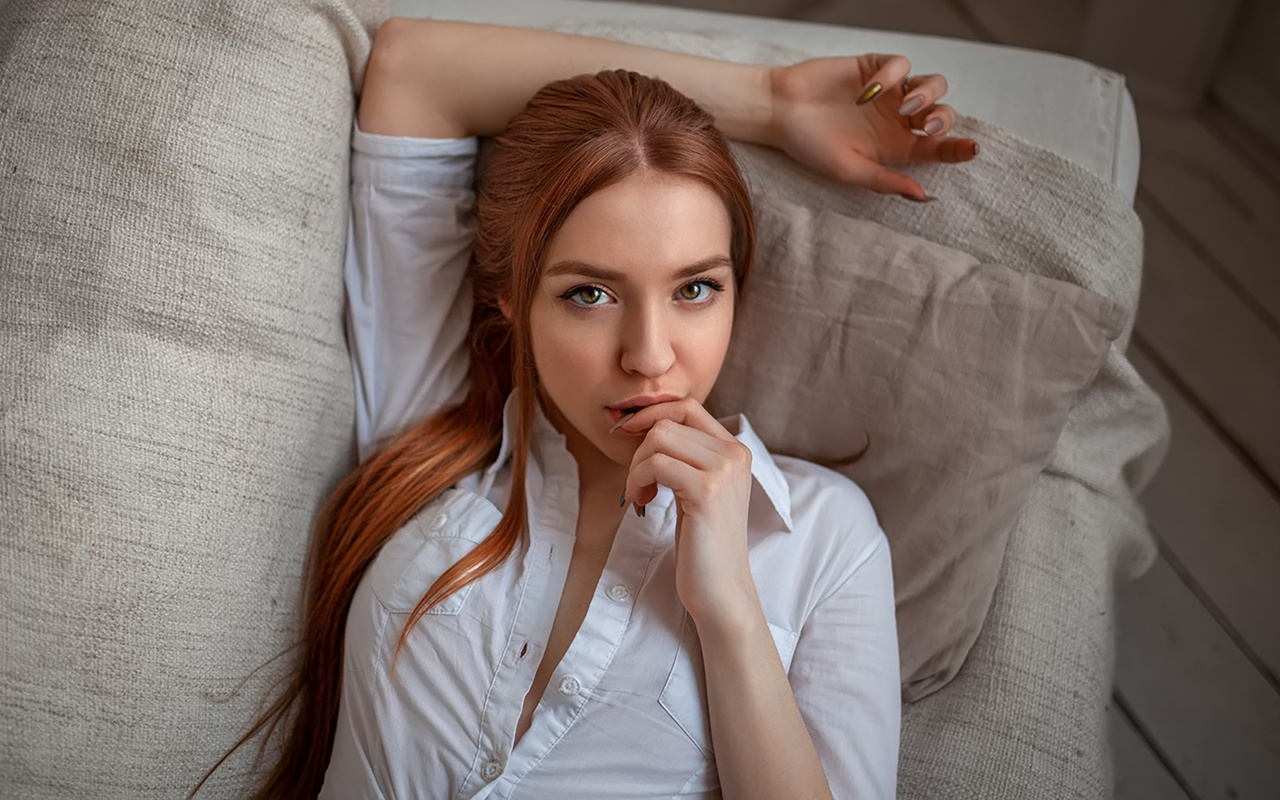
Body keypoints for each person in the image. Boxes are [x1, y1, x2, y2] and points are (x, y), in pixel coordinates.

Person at [198, 18, 977, 800]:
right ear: (511, 298)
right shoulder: (435, 431)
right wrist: (769, 101)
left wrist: (730, 612)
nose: (649, 353)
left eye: (695, 288)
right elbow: (416, 70)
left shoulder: (823, 538)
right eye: (590, 294)